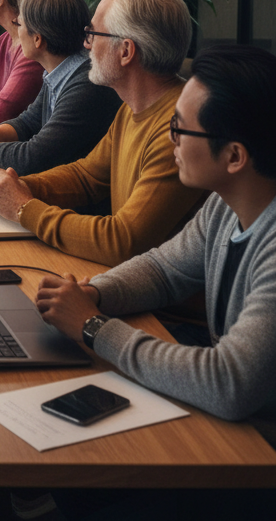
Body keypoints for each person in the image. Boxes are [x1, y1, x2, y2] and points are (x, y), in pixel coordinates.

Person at [35, 46, 276, 517]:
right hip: (235, 424)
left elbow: (229, 382)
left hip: (256, 455)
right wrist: (96, 293)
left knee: (79, 471)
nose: (170, 141)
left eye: (179, 129)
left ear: (234, 156)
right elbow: (165, 268)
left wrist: (93, 328)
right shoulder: (226, 202)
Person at [0, 0, 205, 267]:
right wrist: (15, 185)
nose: (86, 46)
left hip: (160, 309)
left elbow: (123, 240)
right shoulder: (132, 107)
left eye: (93, 35)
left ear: (126, 51)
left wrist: (23, 208)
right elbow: (87, 176)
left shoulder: (178, 129)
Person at [0, 0, 121, 174]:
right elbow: (28, 122)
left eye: (19, 24)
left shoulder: (87, 85)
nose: (16, 31)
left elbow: (31, 159)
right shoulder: (60, 69)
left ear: (38, 40)